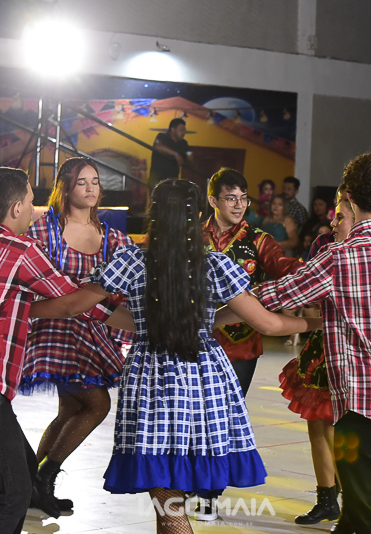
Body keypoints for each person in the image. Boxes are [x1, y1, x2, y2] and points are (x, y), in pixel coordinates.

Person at [84, 179, 319, 533]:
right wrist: (315, 322)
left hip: (152, 379)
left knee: (167, 500)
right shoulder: (212, 264)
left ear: (154, 214)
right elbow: (268, 323)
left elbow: (90, 306)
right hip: (203, 380)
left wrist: (57, 305)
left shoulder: (133, 261)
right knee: (170, 500)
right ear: (197, 215)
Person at [0, 168, 120, 533]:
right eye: (31, 202)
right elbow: (68, 301)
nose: (34, 209)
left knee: (23, 478)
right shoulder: (19, 249)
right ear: (16, 208)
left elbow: (31, 304)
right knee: (12, 494)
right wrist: (113, 279)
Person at [257, 153, 371, 534]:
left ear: (349, 196)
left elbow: (278, 295)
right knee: (370, 500)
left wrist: (222, 292)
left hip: (362, 407)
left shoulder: (339, 257)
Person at [19, 157, 134, 515]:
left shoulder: (112, 238)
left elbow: (125, 285)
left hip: (93, 331)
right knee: (97, 404)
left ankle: (31, 487)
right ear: (66, 188)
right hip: (56, 330)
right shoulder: (45, 230)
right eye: (82, 182)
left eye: (95, 181)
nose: (90, 188)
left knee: (70, 408)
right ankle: (42, 479)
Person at [198, 167, 302, 520]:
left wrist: (322, 272)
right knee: (194, 415)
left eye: (243, 198)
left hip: (240, 346)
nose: (239, 205)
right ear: (213, 200)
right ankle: (190, 481)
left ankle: (209, 494)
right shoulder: (192, 236)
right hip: (194, 343)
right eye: (231, 198)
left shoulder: (258, 240)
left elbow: (288, 268)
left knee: (223, 416)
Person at [280, 189, 354, 526]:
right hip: (321, 345)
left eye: (340, 215)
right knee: (317, 425)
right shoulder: (324, 245)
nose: (332, 221)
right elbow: (308, 293)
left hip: (351, 350)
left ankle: (354, 503)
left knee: (344, 433)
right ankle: (326, 499)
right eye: (334, 213)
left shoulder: (368, 250)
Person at [148, 118, 191, 189]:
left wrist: (188, 158)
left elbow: (189, 154)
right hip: (157, 178)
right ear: (173, 129)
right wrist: (175, 154)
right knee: (156, 195)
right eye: (181, 129)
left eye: (184, 130)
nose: (184, 132)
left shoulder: (184, 143)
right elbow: (158, 146)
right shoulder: (162, 136)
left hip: (172, 180)